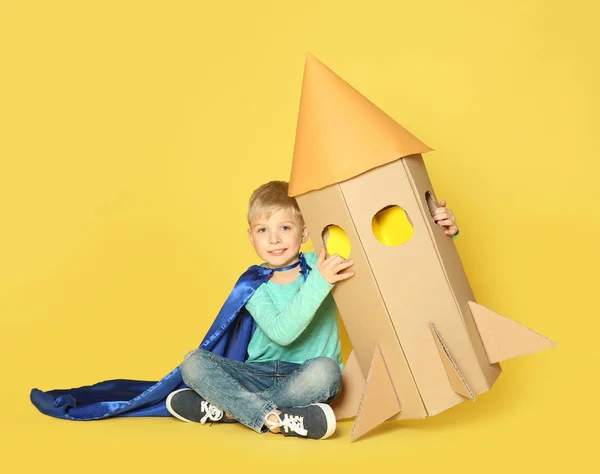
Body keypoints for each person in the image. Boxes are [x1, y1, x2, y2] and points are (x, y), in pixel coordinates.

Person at [166, 181, 458, 440]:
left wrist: (439, 230)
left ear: (304, 232)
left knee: (328, 371)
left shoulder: (322, 263)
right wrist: (321, 282)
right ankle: (281, 419)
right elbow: (283, 333)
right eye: (263, 230)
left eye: (285, 227)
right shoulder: (253, 284)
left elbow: (384, 263)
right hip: (256, 373)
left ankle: (231, 410)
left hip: (307, 378)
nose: (274, 239)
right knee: (192, 362)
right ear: (251, 237)